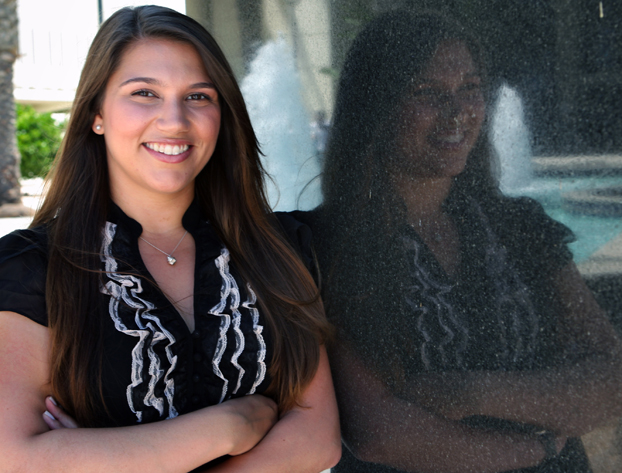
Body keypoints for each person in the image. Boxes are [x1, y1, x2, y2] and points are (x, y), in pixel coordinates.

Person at [0, 6, 340, 472]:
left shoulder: (277, 247)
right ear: (96, 113)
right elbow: (15, 457)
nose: (175, 120)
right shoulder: (32, 269)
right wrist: (233, 424)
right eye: (144, 93)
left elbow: (317, 440)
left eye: (199, 96)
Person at [300, 11, 622, 473]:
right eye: (428, 93)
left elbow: (613, 380)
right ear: (377, 107)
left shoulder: (520, 227)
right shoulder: (325, 246)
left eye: (470, 88)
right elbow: (380, 433)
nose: (458, 112)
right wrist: (541, 445)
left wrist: (468, 392)